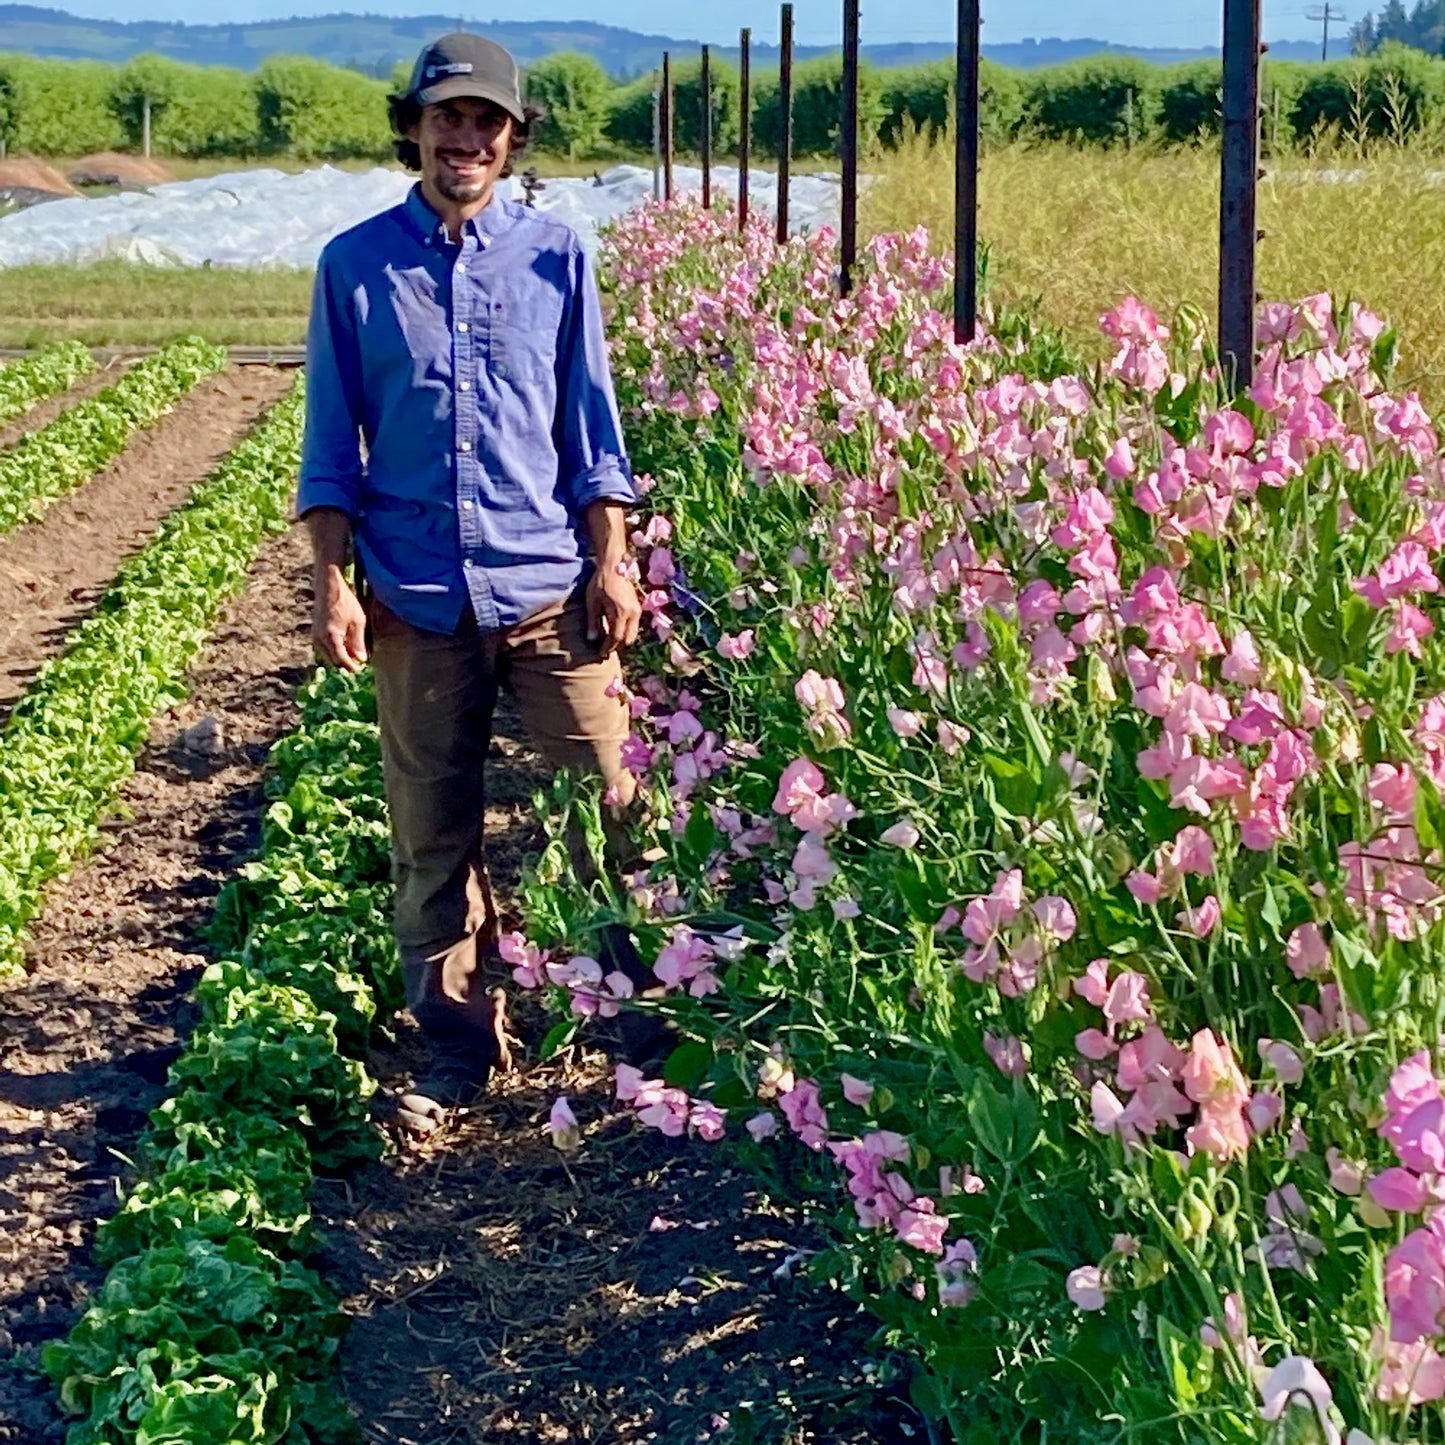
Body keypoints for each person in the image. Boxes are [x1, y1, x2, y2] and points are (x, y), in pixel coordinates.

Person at [296, 32, 644, 1133]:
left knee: (608, 797)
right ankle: (455, 1045)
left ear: (511, 137)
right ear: (413, 128)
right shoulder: (354, 266)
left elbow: (591, 430)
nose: (466, 139)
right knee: (430, 830)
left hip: (545, 582)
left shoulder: (556, 257)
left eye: (486, 122)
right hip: (413, 592)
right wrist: (332, 583)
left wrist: (612, 558)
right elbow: (327, 449)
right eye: (446, 118)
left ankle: (638, 1033)